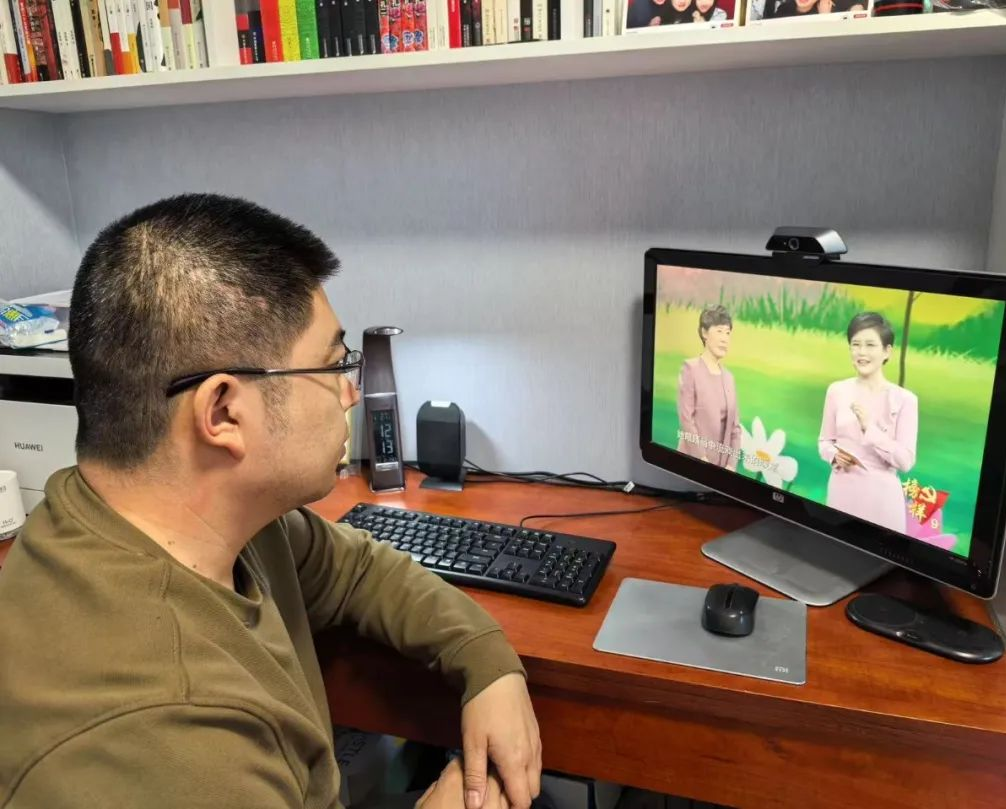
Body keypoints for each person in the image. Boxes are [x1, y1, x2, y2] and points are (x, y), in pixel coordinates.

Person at [0, 194, 542, 809]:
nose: (350, 393)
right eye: (333, 366)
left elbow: (358, 569)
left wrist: (486, 660)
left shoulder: (200, 520)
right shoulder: (167, 739)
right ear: (225, 413)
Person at [818, 312, 918, 534]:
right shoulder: (837, 390)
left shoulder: (905, 399)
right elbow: (824, 441)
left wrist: (869, 428)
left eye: (870, 345)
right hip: (842, 490)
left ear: (887, 351)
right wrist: (833, 455)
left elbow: (905, 461)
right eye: (856, 344)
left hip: (882, 498)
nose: (861, 352)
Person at [676, 304, 741, 471]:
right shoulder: (690, 369)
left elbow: (735, 429)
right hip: (692, 465)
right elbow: (687, 420)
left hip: (722, 470)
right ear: (704, 333)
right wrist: (701, 460)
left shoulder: (729, 378)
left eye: (728, 333)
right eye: (719, 331)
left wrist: (731, 465)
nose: (725, 338)